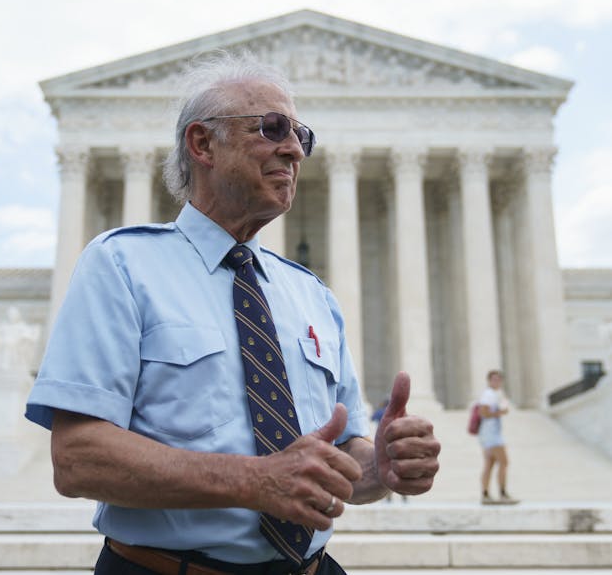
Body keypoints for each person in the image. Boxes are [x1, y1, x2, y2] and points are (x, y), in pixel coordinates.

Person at [26, 51, 440, 575]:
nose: (294, 150)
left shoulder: (311, 294)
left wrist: (381, 465)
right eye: (271, 129)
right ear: (202, 144)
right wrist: (255, 480)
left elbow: (339, 458)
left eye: (301, 136)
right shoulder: (122, 266)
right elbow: (78, 458)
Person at [478, 370, 518, 505]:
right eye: (494, 379)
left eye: (499, 380)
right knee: (504, 462)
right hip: (491, 434)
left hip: (490, 433)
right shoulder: (489, 394)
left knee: (489, 464)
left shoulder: (495, 394)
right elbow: (483, 412)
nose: (497, 382)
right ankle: (502, 493)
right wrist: (500, 412)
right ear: (489, 381)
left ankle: (485, 494)